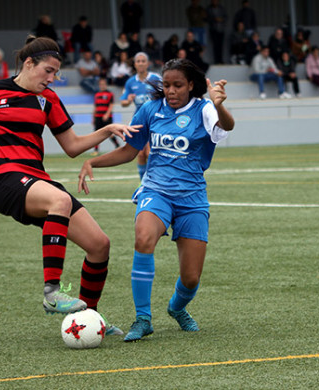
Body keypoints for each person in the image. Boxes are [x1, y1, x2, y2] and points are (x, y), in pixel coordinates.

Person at [0, 36, 138, 333]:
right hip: (0, 177)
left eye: (56, 73)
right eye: (48, 71)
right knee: (60, 201)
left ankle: (88, 320)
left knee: (99, 245)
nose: (52, 78)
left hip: (34, 178)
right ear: (29, 64)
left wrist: (107, 129)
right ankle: (52, 293)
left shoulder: (48, 99)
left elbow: (72, 146)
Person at [77, 58, 235, 342]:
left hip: (192, 198)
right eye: (166, 85)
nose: (171, 91)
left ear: (190, 85)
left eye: (177, 85)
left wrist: (220, 104)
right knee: (143, 237)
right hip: (156, 191)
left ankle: (177, 308)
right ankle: (143, 318)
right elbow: (129, 151)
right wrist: (93, 162)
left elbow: (228, 126)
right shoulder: (150, 110)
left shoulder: (205, 109)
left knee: (191, 279)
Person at [121, 52, 162, 180]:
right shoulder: (130, 82)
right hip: (139, 121)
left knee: (150, 153)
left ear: (148, 63)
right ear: (134, 64)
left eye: (143, 61)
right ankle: (143, 183)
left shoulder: (155, 78)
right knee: (140, 154)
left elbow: (165, 95)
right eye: (138, 61)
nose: (140, 63)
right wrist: (128, 100)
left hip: (154, 120)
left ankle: (154, 180)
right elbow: (123, 102)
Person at [92, 78, 120, 155]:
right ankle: (96, 150)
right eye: (101, 84)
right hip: (98, 116)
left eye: (103, 84)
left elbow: (111, 105)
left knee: (110, 133)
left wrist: (107, 114)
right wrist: (93, 117)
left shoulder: (110, 94)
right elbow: (95, 107)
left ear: (106, 85)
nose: (102, 86)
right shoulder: (97, 94)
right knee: (96, 133)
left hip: (107, 117)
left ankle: (117, 146)